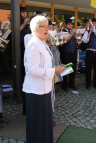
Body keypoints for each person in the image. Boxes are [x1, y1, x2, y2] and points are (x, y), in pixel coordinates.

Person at [22, 15, 65, 143]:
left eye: (48, 26)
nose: (48, 29)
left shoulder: (41, 42)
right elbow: (32, 70)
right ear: (36, 28)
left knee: (44, 123)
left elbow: (44, 64)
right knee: (37, 125)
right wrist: (54, 71)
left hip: (45, 89)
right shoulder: (33, 44)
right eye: (45, 26)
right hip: (36, 91)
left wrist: (56, 67)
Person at [61, 19, 81, 92]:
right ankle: (65, 85)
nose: (70, 25)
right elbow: (64, 41)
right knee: (66, 69)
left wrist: (78, 35)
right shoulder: (63, 32)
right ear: (66, 25)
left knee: (73, 68)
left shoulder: (73, 32)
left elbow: (80, 41)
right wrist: (72, 34)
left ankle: (71, 84)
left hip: (73, 52)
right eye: (68, 24)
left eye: (71, 24)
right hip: (66, 52)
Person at [20, 7, 29, 116]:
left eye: (25, 13)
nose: (24, 14)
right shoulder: (18, 21)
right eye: (23, 12)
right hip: (20, 45)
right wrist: (23, 24)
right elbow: (17, 30)